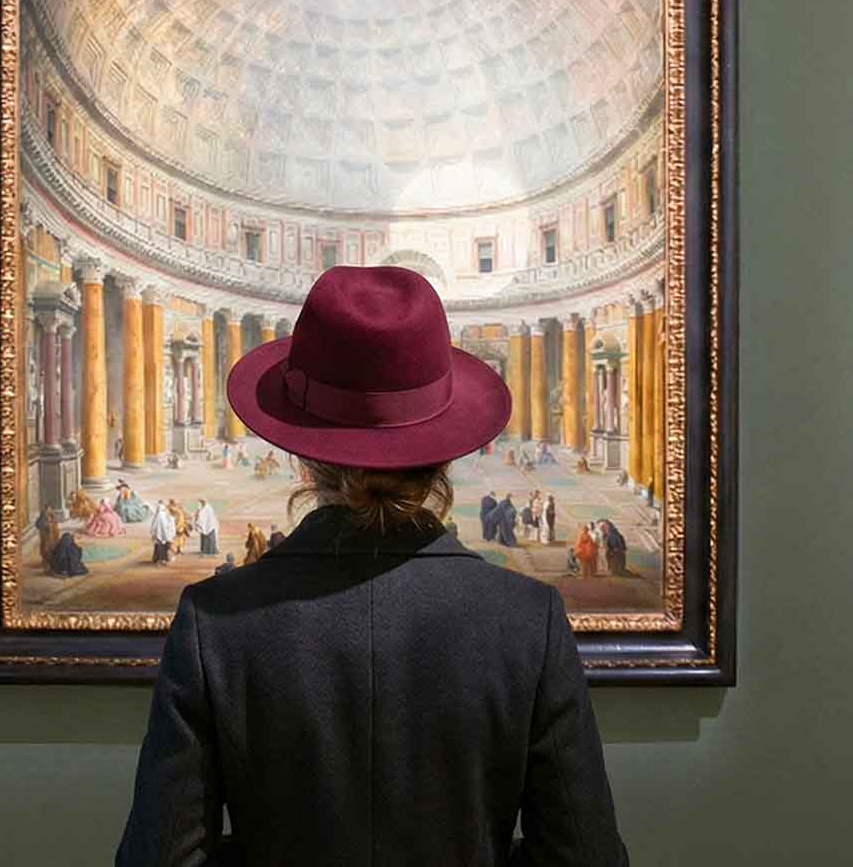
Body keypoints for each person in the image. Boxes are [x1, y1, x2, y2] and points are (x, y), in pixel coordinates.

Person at [119, 265, 625, 864]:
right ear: (442, 457)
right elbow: (584, 857)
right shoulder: (527, 622)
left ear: (303, 456)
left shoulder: (213, 623)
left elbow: (161, 859)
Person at [149, 499, 176, 565]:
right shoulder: (162, 514)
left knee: (162, 548)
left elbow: (161, 527)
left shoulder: (161, 515)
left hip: (162, 536)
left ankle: (162, 559)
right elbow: (159, 526)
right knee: (160, 548)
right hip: (162, 536)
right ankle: (160, 559)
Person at [34, 503, 59, 568]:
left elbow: (55, 522)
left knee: (53, 547)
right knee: (46, 548)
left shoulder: (52, 514)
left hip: (52, 535)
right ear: (46, 508)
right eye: (49, 508)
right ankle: (46, 561)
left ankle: (51, 561)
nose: (50, 510)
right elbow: (38, 524)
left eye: (51, 509)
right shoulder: (43, 515)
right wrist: (46, 525)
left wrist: (53, 523)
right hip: (46, 535)